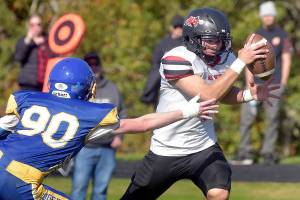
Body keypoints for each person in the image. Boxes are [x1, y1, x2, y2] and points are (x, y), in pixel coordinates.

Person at [0, 58, 219, 199]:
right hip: (23, 183)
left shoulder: (27, 99)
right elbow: (142, 123)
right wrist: (188, 111)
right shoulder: (88, 115)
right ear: (86, 86)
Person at [121, 8, 280, 200]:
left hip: (203, 147)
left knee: (219, 193)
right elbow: (208, 95)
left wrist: (249, 95)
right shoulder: (176, 58)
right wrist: (240, 63)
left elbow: (223, 93)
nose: (216, 45)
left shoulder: (225, 58)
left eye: (220, 40)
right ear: (193, 38)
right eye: (210, 39)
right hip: (167, 149)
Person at [233, 1, 293, 165]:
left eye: (270, 14)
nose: (268, 18)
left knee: (272, 119)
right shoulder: (255, 35)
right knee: (246, 118)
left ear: (274, 16)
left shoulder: (282, 35)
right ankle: (245, 152)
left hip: (274, 85)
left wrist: (283, 83)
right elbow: (248, 60)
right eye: (265, 15)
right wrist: (248, 83)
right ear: (261, 17)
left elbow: (287, 59)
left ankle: (268, 153)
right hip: (255, 85)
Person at [72, 52, 127, 200]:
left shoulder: (112, 88)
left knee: (101, 191)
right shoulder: (79, 88)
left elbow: (122, 113)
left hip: (107, 148)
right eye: (90, 65)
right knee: (78, 189)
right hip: (84, 147)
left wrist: (119, 136)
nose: (93, 67)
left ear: (101, 67)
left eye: (96, 64)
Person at [141, 15, 184, 107]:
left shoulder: (186, 43)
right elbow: (155, 63)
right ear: (171, 28)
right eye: (176, 26)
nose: (179, 29)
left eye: (181, 26)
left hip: (183, 80)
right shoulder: (162, 44)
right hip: (164, 82)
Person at [14, 14, 49, 91]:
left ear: (42, 25)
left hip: (46, 85)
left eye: (38, 24)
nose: (35, 27)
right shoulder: (24, 40)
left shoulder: (49, 40)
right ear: (28, 26)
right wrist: (28, 39)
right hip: (28, 84)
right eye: (32, 25)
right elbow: (18, 57)